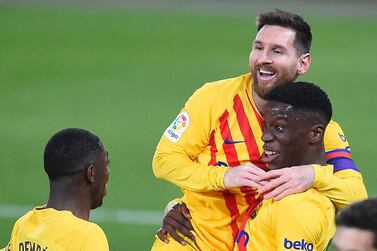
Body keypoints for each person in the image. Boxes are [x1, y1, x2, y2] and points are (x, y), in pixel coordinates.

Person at [152, 9, 367, 251]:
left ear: (303, 63)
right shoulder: (213, 99)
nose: (263, 58)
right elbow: (164, 160)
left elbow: (356, 196)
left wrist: (311, 175)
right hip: (193, 241)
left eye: (277, 51)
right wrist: (224, 177)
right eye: (258, 47)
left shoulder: (315, 126)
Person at [235, 81, 336, 251]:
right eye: (265, 126)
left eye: (279, 127)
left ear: (315, 134)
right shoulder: (286, 186)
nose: (265, 137)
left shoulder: (296, 207)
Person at [1, 128, 110, 251]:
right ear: (92, 173)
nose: (108, 172)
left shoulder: (25, 223)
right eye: (106, 164)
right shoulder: (88, 236)